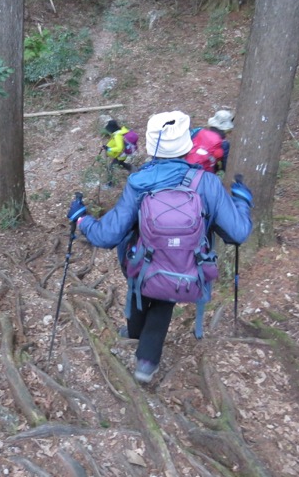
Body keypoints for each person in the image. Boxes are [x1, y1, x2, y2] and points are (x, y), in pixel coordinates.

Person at [67, 110, 253, 384]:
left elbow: (108, 235)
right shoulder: (207, 183)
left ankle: (137, 344)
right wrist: (242, 202)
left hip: (140, 263)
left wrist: (82, 220)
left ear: (152, 145)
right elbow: (237, 233)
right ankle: (146, 359)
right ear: (186, 144)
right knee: (168, 288)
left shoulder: (139, 182)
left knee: (141, 280)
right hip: (186, 268)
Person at [186, 109, 234, 174]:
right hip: (203, 174)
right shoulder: (223, 144)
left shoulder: (199, 131)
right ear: (226, 130)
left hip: (187, 166)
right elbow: (224, 165)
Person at [103, 119, 138, 185]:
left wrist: (109, 149)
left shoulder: (117, 136)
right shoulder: (122, 131)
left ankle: (110, 184)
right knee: (121, 163)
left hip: (121, 154)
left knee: (111, 168)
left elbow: (119, 148)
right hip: (125, 153)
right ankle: (134, 170)